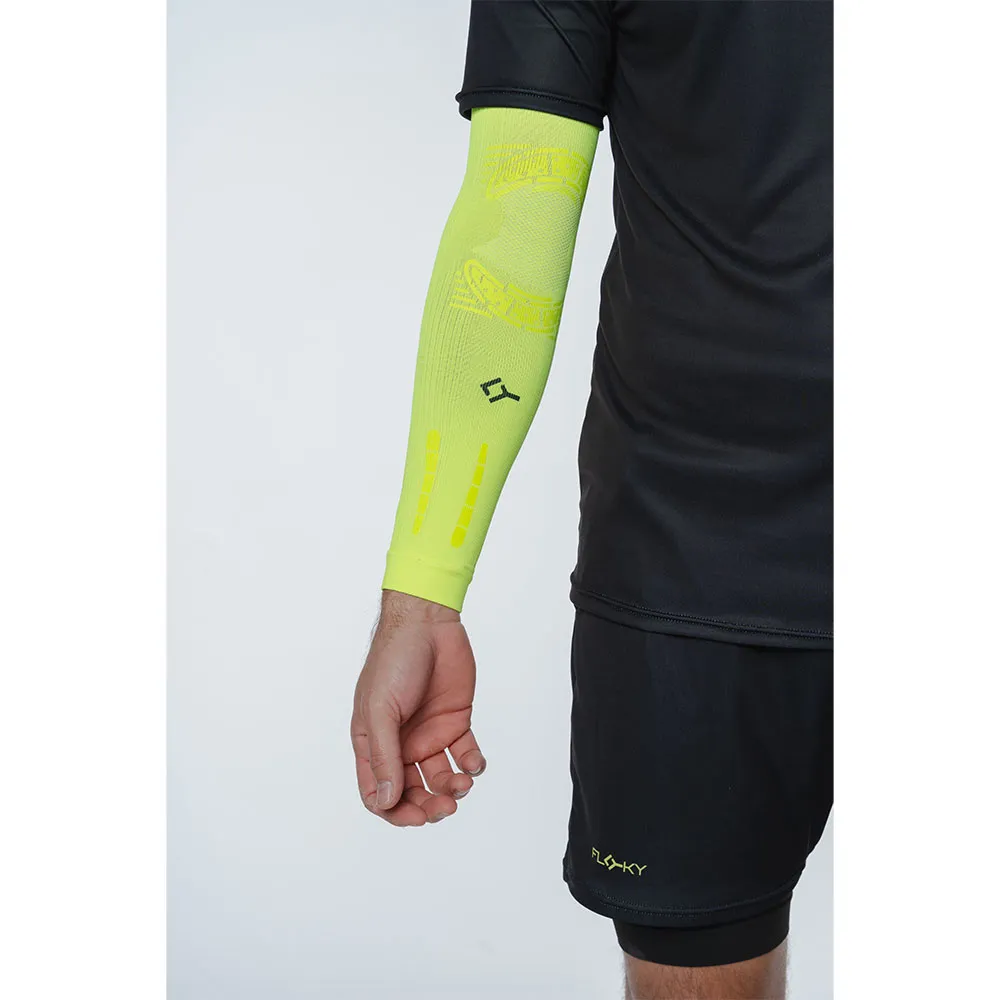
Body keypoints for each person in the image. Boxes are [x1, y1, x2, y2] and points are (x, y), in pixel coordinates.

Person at [350, 2, 832, 996]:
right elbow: (514, 224)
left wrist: (423, 593)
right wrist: (423, 589)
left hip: (688, 541)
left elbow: (511, 226)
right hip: (690, 555)